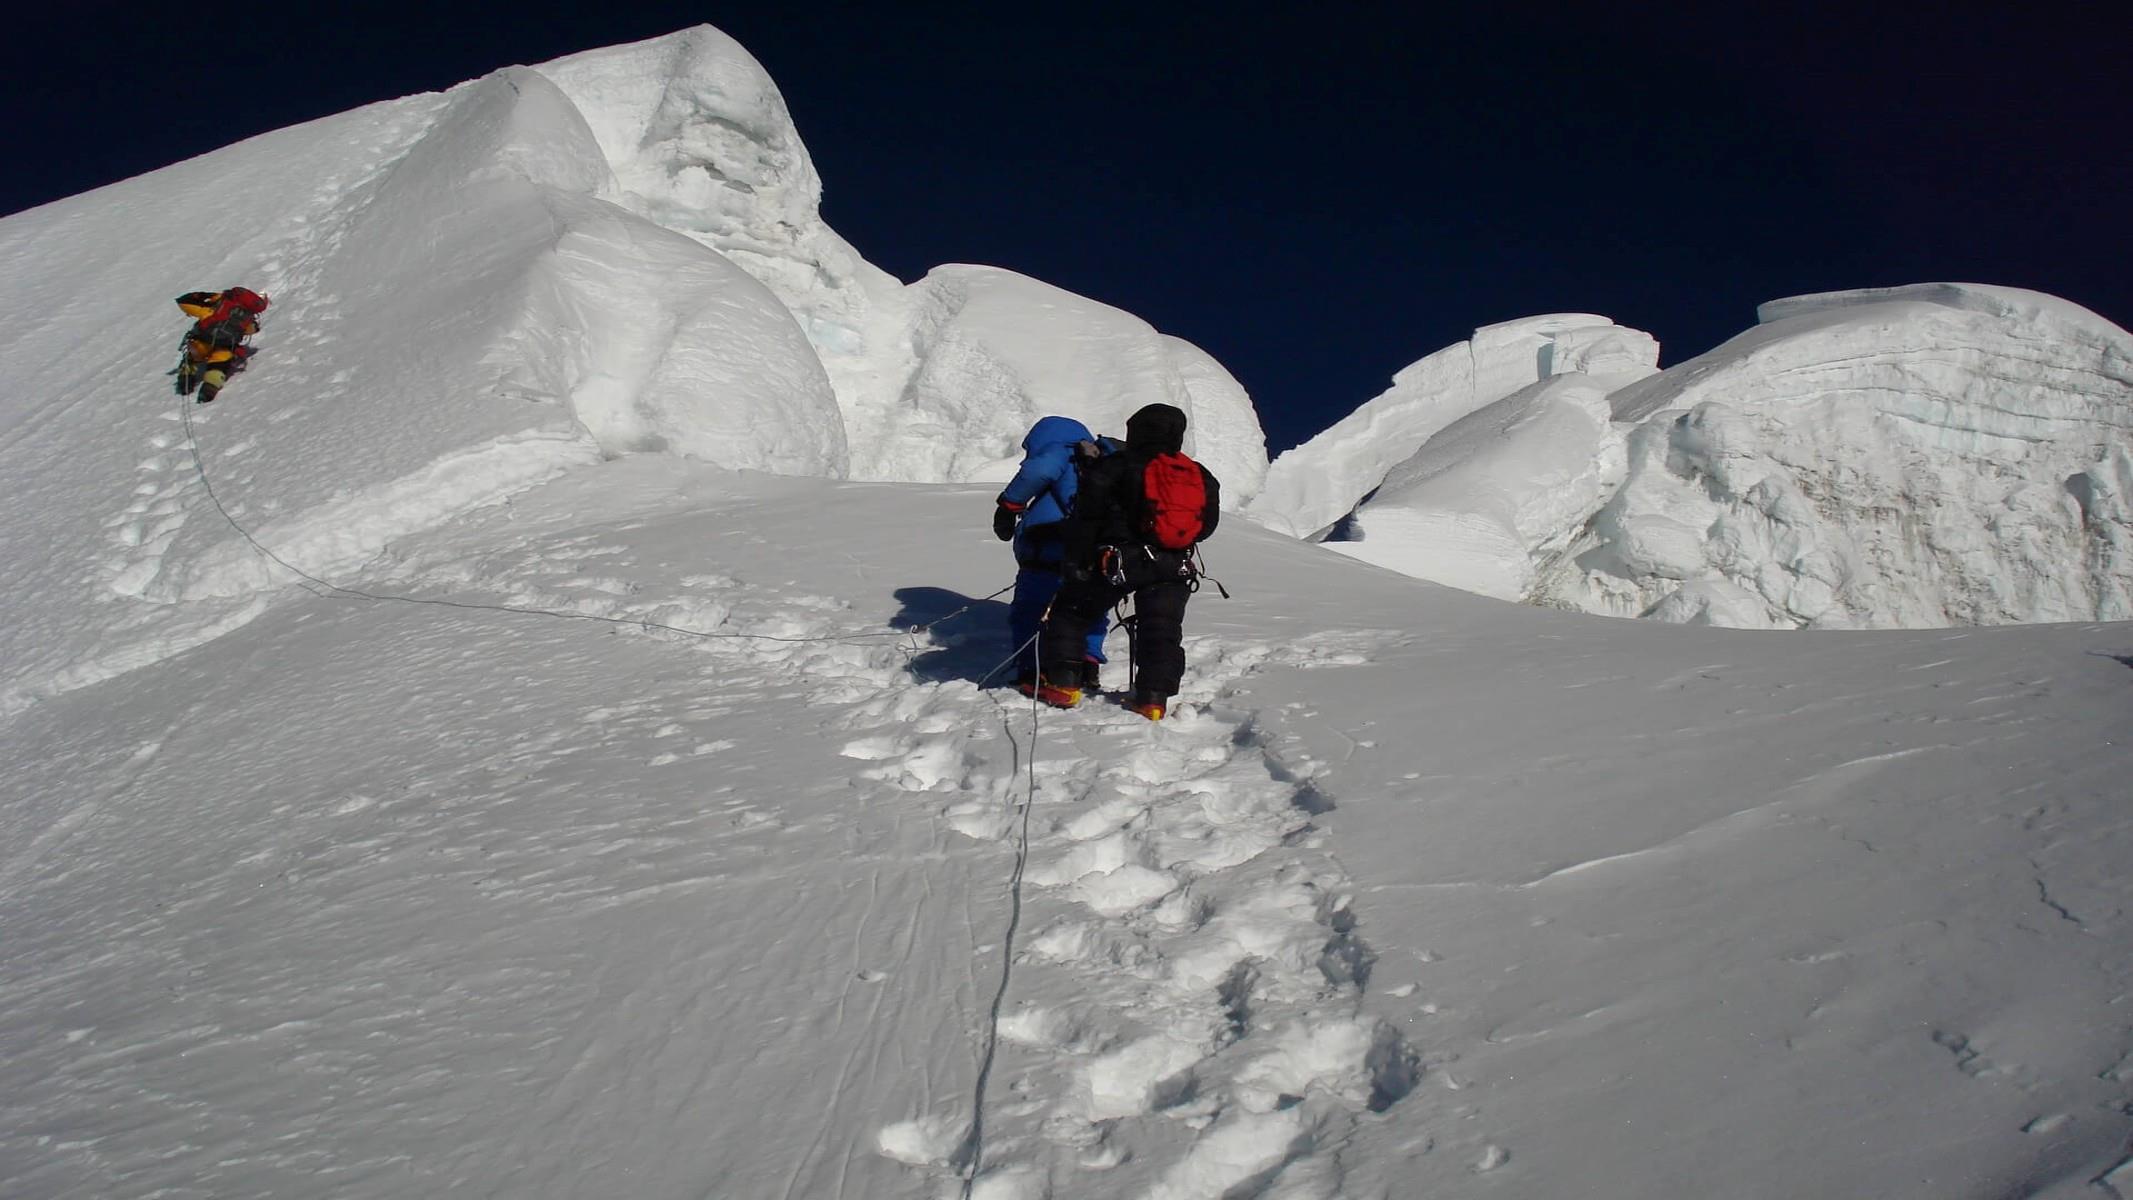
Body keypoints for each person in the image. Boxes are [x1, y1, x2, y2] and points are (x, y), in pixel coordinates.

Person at [1034, 402, 1220, 720]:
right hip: (1174, 565)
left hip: (1118, 559)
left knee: (1073, 610)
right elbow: (1207, 525)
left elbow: (1087, 515)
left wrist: (1078, 559)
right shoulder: (1198, 474)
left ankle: (1063, 685)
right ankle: (1153, 698)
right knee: (1161, 628)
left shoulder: (1117, 464)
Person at [993, 416, 1116, 692]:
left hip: (1049, 545)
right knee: (1088, 608)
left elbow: (1040, 469)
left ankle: (1031, 669)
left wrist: (1009, 505)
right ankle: (1086, 663)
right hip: (1096, 550)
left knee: (1032, 607)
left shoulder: (1063, 451)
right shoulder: (1104, 460)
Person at [173, 287, 269, 404]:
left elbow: (183, 302)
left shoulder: (213, 309)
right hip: (226, 346)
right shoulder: (246, 317)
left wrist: (205, 296)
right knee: (219, 364)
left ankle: (185, 381)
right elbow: (251, 329)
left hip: (202, 341)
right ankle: (209, 390)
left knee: (193, 355)